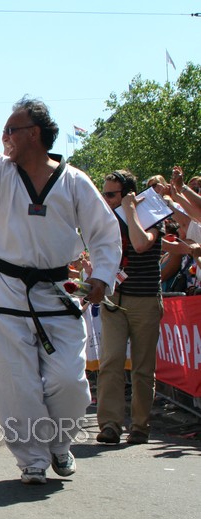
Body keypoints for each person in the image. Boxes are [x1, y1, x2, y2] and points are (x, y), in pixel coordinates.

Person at [0, 57, 121, 484]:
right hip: (7, 291)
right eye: (4, 131)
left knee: (68, 381)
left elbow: (103, 232)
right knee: (17, 383)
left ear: (35, 134)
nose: (4, 137)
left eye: (12, 129)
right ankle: (32, 460)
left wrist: (101, 275)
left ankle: (59, 444)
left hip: (57, 291)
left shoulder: (74, 181)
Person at [96, 170, 163, 445]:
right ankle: (110, 425)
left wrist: (130, 210)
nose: (105, 199)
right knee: (110, 361)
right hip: (115, 298)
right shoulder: (106, 219)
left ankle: (139, 426)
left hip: (144, 299)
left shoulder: (152, 213)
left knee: (142, 367)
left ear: (127, 195)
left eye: (111, 195)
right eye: (104, 194)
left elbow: (140, 243)